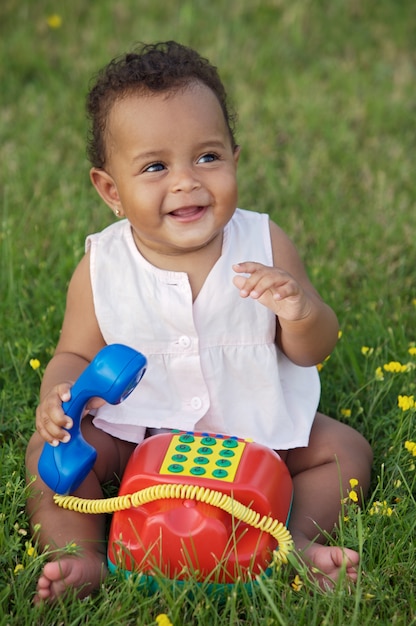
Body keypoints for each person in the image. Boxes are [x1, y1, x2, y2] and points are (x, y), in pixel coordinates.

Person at [25, 41, 373, 603]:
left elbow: (312, 348)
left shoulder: (264, 242)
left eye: (207, 158)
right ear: (111, 190)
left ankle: (299, 542)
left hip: (253, 430)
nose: (186, 181)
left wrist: (303, 312)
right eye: (156, 167)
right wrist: (57, 398)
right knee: (48, 461)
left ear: (235, 158)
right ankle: (80, 556)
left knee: (344, 449)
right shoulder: (102, 266)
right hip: (136, 432)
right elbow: (73, 354)